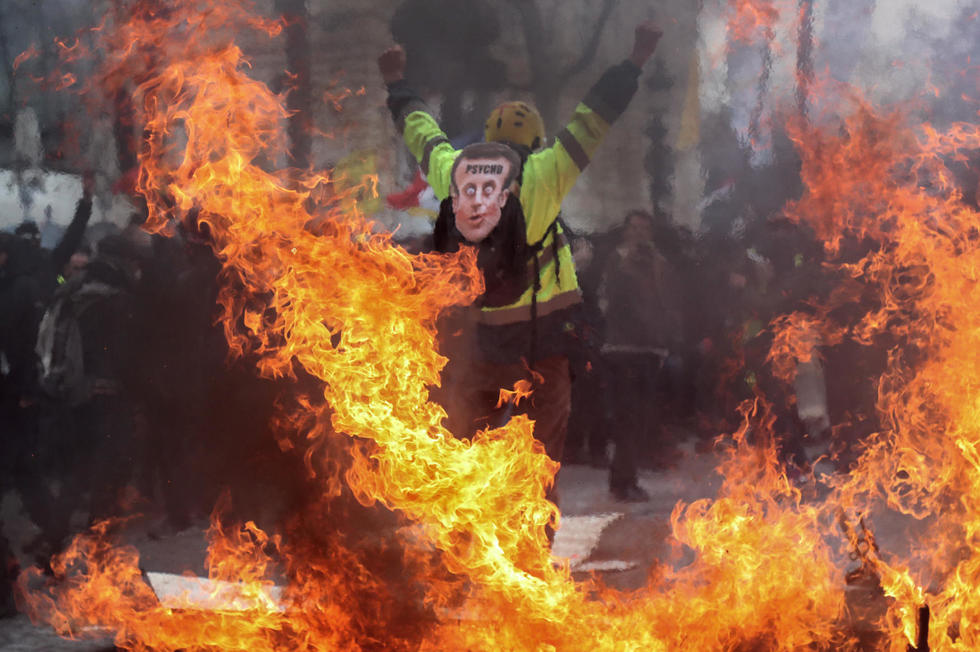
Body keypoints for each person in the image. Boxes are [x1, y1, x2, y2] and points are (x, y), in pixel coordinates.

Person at [377, 22, 662, 511]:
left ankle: (471, 544)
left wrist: (396, 83)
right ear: (535, 141)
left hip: (479, 344)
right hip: (544, 344)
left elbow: (420, 130)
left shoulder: (453, 171)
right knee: (541, 454)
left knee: (468, 452)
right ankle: (532, 554)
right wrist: (635, 59)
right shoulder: (548, 170)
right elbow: (595, 117)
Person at [599, 210, 682, 501]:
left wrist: (666, 339)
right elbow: (612, 299)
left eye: (644, 229)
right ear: (626, 231)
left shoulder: (660, 264)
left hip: (650, 349)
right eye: (634, 228)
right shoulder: (616, 261)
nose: (639, 234)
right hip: (622, 349)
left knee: (640, 417)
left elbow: (667, 302)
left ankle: (627, 475)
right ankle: (622, 480)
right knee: (627, 416)